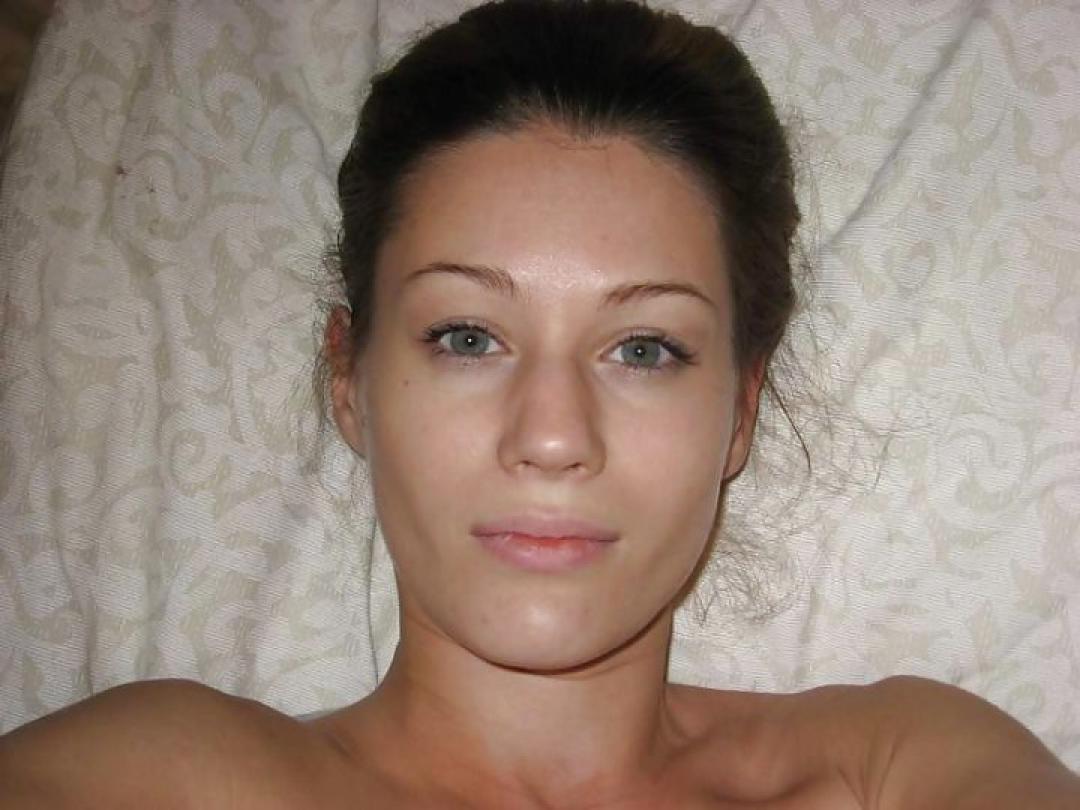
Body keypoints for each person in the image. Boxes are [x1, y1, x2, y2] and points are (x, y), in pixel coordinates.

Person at [1, 0, 1078, 807]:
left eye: (643, 348)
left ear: (741, 412)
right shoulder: (168, 778)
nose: (554, 436)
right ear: (349, 381)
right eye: (468, 337)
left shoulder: (900, 771)